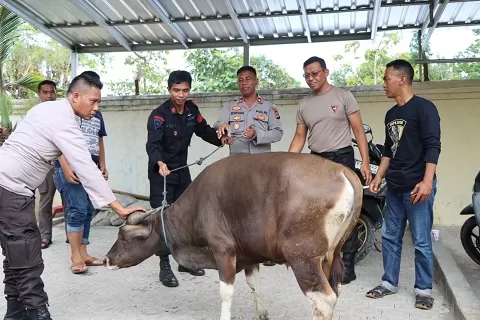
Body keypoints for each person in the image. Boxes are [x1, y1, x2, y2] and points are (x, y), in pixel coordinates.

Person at [0, 73, 145, 320]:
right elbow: (85, 167)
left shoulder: (45, 110)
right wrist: (118, 208)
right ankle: (37, 314)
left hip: (10, 187)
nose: (96, 107)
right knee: (27, 256)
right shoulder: (64, 120)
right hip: (11, 189)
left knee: (15, 253)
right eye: (93, 101)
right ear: (75, 96)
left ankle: (15, 313)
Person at [287, 56, 372, 284]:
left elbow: (358, 130)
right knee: (318, 214)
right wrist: (285, 164)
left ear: (326, 72)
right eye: (306, 75)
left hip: (342, 158)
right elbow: (299, 138)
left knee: (348, 212)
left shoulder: (343, 96)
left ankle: (349, 266)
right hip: (317, 161)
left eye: (314, 73)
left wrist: (364, 161)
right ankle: (323, 263)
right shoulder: (304, 105)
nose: (310, 78)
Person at [366, 59, 441, 311]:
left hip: (418, 186)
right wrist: (379, 177)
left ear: (402, 79)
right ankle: (389, 283)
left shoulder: (424, 108)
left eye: (386, 78)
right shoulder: (391, 114)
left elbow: (433, 145)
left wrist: (427, 181)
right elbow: (389, 150)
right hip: (395, 186)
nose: (383, 84)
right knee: (389, 236)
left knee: (420, 240)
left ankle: (423, 289)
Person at [146, 70, 230, 288]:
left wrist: (222, 139)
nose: (181, 95)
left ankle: (185, 261)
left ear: (189, 90)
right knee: (163, 220)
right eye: (176, 90)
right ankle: (165, 266)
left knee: (186, 217)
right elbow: (152, 145)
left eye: (184, 90)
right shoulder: (158, 115)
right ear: (169, 90)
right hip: (161, 174)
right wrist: (159, 162)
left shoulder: (192, 110)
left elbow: (204, 130)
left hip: (182, 171)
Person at [215, 65, 283, 266]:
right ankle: (242, 248)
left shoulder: (268, 107)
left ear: (256, 81)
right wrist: (222, 129)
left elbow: (278, 133)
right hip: (237, 167)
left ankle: (267, 251)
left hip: (262, 167)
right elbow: (219, 125)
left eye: (247, 79)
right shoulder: (230, 107)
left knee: (265, 208)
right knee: (238, 206)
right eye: (240, 80)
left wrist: (257, 135)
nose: (243, 83)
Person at [53, 71, 109, 274]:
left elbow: (99, 140)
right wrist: (66, 167)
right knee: (77, 208)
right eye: (93, 100)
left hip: (90, 166)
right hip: (69, 166)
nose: (96, 106)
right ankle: (75, 256)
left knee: (88, 209)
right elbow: (56, 141)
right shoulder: (68, 114)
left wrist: (102, 165)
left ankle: (84, 252)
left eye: (98, 101)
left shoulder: (96, 114)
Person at [36, 80, 58, 250]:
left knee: (70, 201)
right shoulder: (35, 115)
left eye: (52, 92)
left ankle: (73, 237)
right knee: (45, 201)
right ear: (39, 95)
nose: (49, 96)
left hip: (65, 165)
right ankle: (45, 236)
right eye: (45, 92)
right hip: (45, 165)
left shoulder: (63, 113)